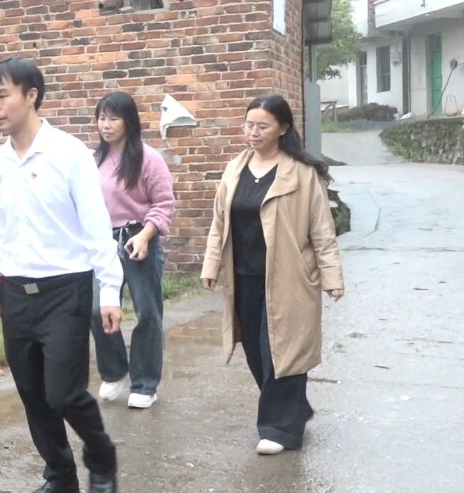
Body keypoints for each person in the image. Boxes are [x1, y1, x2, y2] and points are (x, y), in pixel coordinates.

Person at [0, 58, 125, 493]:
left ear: (31, 96)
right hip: (15, 290)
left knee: (64, 392)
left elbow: (97, 227)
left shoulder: (68, 153)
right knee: (32, 394)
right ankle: (60, 475)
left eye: (2, 96)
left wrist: (109, 291)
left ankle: (101, 457)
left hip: (66, 289)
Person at [200, 94, 344, 456]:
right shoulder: (235, 169)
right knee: (256, 353)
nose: (253, 132)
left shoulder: (303, 174)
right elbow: (219, 223)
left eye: (262, 126)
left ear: (282, 128)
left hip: (289, 278)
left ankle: (280, 430)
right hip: (245, 277)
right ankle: (295, 409)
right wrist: (211, 264)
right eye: (249, 125)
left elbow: (322, 230)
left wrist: (332, 277)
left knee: (283, 352)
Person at [91, 91, 176, 410]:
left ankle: (145, 383)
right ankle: (114, 371)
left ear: (129, 121)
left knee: (147, 312)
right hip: (103, 243)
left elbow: (164, 203)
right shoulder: (92, 161)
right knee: (96, 308)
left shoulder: (148, 158)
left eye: (113, 118)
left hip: (138, 239)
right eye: (102, 117)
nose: (106, 124)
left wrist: (145, 235)